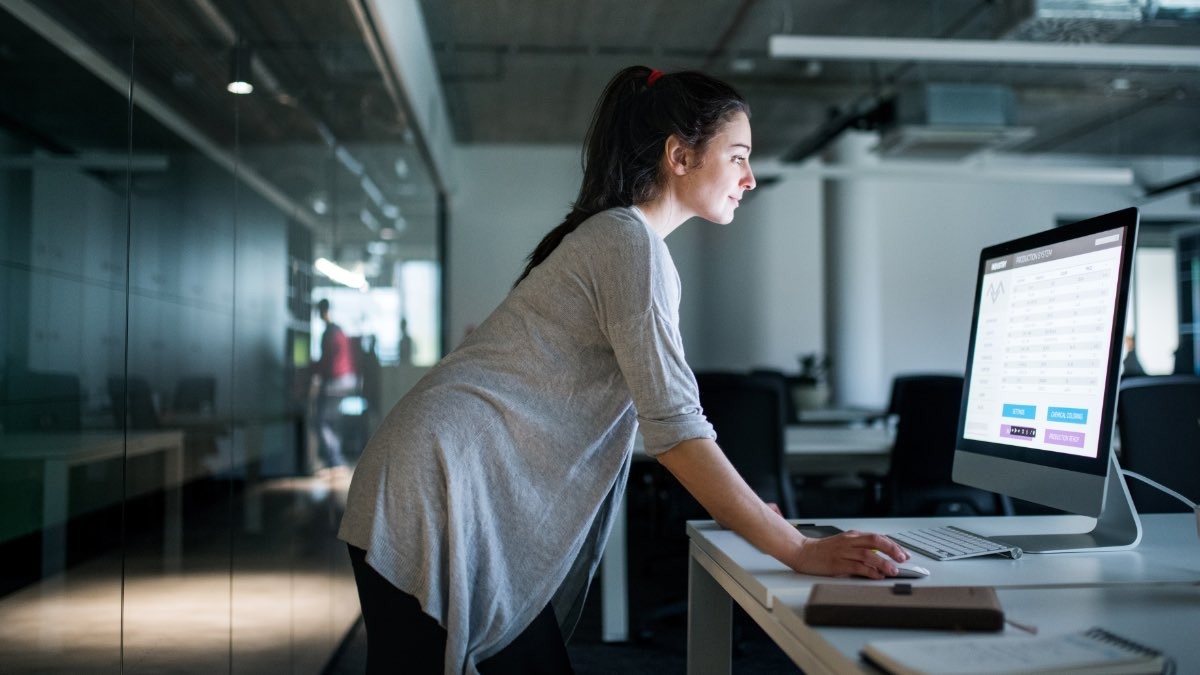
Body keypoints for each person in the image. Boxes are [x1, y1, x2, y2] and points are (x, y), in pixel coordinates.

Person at [338, 65, 908, 675]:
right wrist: (795, 548)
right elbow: (677, 429)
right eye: (738, 155)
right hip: (434, 485)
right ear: (680, 157)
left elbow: (650, 411)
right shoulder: (629, 244)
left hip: (442, 478)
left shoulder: (625, 242)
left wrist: (742, 508)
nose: (749, 177)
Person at [312, 297, 357, 474]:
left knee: (321, 421)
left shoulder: (328, 333)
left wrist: (311, 370)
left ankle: (335, 459)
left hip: (333, 383)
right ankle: (336, 459)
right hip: (346, 382)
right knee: (334, 421)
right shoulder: (340, 331)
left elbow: (327, 362)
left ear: (321, 311)